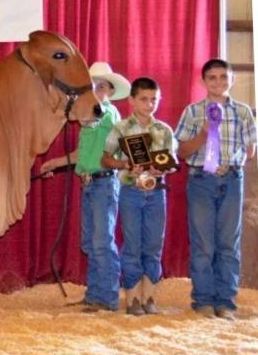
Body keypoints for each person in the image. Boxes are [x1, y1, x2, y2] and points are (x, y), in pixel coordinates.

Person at [41, 62, 130, 312]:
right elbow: (80, 154)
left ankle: (108, 298)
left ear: (110, 92)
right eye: (92, 86)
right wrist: (53, 164)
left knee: (102, 241)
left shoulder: (108, 115)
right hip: (91, 184)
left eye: (101, 87)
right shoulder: (92, 117)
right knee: (92, 242)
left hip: (104, 182)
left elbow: (88, 120)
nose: (96, 91)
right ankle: (95, 294)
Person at [175, 59, 256, 320]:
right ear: (203, 81)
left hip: (232, 180)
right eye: (212, 78)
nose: (218, 82)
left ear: (232, 80)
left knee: (229, 243)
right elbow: (182, 151)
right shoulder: (193, 111)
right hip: (201, 180)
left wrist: (237, 159)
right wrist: (203, 134)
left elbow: (251, 149)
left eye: (223, 77)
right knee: (203, 244)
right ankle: (204, 301)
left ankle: (226, 302)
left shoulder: (243, 112)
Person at [101, 77, 177, 316]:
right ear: (132, 100)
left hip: (156, 192)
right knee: (132, 244)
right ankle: (132, 298)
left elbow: (172, 163)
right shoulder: (121, 128)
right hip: (130, 191)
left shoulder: (164, 130)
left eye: (154, 99)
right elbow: (105, 159)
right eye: (144, 99)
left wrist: (162, 168)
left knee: (154, 244)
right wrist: (124, 163)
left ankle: (150, 296)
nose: (149, 103)